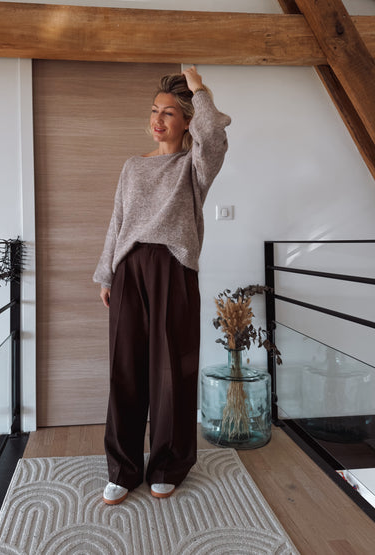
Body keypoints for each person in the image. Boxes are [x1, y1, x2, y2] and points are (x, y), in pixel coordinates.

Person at [93, 66, 231, 505]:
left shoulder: (195, 166)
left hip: (174, 269)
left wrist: (198, 89)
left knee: (172, 369)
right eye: (154, 110)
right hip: (129, 270)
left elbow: (215, 136)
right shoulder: (133, 166)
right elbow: (118, 220)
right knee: (125, 368)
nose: (157, 119)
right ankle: (123, 468)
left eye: (169, 113)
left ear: (186, 120)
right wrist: (106, 272)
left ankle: (169, 464)